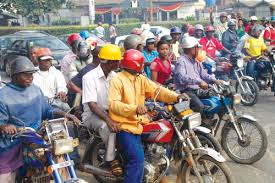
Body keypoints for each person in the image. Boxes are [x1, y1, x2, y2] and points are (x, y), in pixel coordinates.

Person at [108, 49, 187, 183]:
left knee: (164, 143)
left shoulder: (140, 79)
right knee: (137, 160)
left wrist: (176, 97)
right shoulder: (117, 80)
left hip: (141, 123)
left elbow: (157, 90)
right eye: (141, 63)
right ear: (135, 65)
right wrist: (135, 109)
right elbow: (113, 104)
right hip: (125, 126)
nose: (143, 66)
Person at [0, 57, 79, 183]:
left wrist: (64, 114)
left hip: (37, 137)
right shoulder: (3, 96)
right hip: (13, 142)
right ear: (15, 75)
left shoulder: (35, 90)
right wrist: (5, 127)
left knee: (60, 159)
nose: (30, 77)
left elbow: (47, 110)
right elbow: (1, 122)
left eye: (31, 74)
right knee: (5, 178)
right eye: (26, 74)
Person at [82, 44, 122, 176]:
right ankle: (112, 160)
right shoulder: (89, 77)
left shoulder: (115, 76)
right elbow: (92, 105)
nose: (119, 62)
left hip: (111, 112)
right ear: (109, 62)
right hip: (92, 115)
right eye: (117, 60)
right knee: (107, 127)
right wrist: (108, 119)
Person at [174, 36, 223, 114]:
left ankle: (210, 120)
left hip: (196, 89)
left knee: (216, 99)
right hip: (186, 90)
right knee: (200, 106)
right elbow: (182, 78)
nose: (199, 50)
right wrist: (199, 82)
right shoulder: (181, 61)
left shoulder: (196, 61)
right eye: (197, 48)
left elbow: (204, 75)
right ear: (190, 48)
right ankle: (198, 125)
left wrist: (215, 80)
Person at [32, 48, 69, 112]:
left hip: (55, 102)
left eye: (49, 60)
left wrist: (61, 92)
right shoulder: (33, 74)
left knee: (67, 109)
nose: (47, 62)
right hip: (39, 104)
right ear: (38, 61)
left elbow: (62, 86)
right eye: (45, 60)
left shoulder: (56, 72)